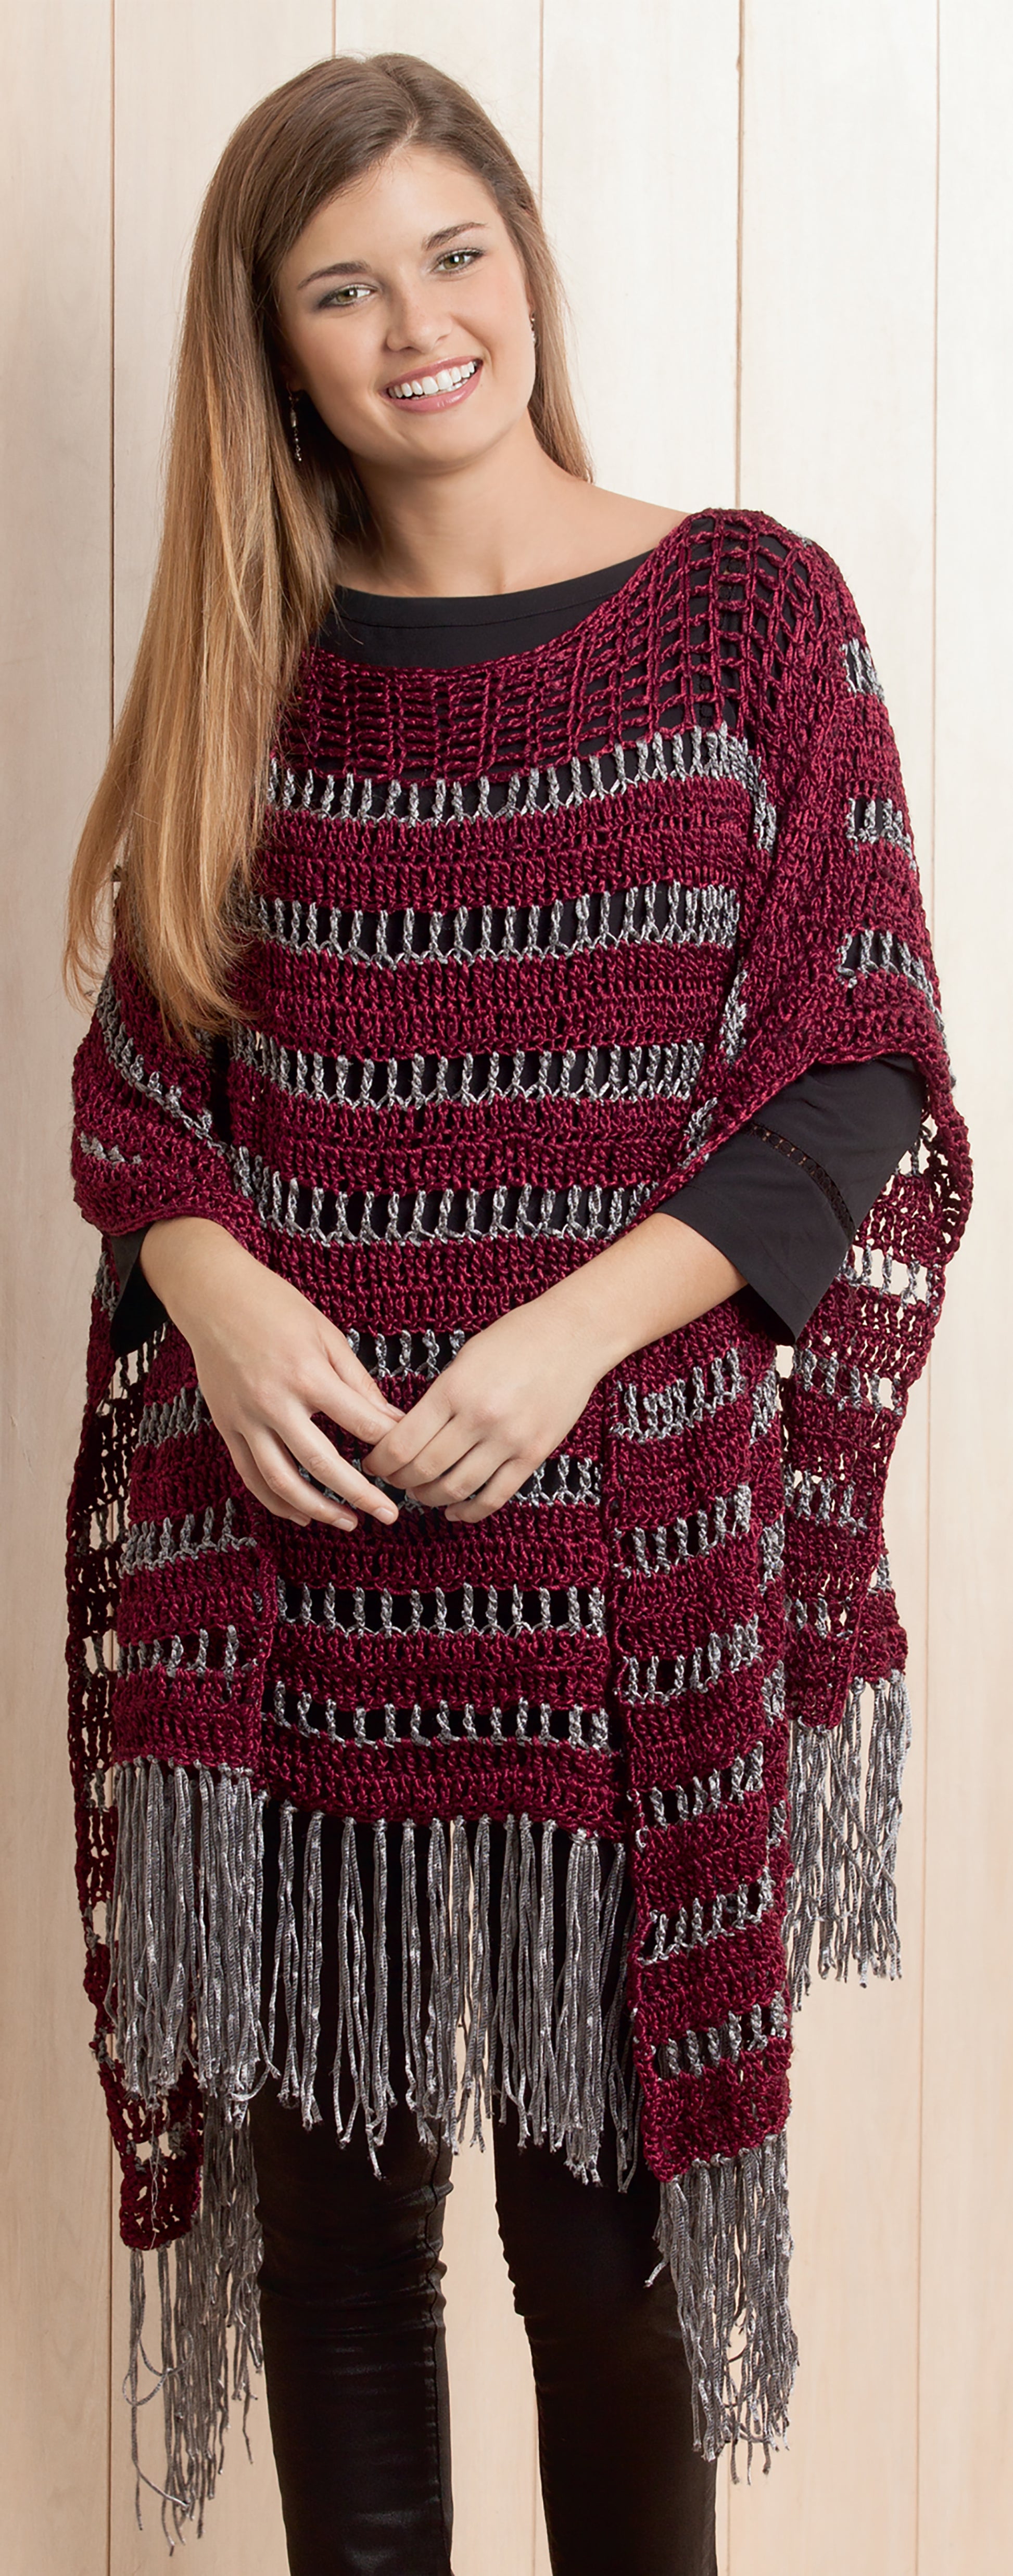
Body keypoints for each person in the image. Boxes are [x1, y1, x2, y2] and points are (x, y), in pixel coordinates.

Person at [62, 51, 971, 2576]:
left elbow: (856, 1062)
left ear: (527, 266)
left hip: (612, 1589)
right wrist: (216, 1287)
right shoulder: (245, 650)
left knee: (614, 2265)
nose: (416, 321)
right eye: (343, 285)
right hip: (284, 1584)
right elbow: (140, 1085)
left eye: (455, 253)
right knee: (343, 2273)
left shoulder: (744, 607)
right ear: (278, 342)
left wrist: (574, 1333)